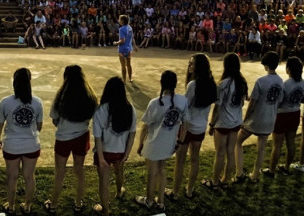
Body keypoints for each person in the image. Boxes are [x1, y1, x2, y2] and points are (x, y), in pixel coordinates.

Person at [44, 65, 98, 214]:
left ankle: (53, 205)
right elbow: (93, 116)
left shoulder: (61, 95)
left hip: (63, 138)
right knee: (79, 171)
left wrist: (63, 125)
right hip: (81, 136)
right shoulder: (89, 96)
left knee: (59, 173)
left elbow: (54, 118)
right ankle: (78, 203)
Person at [136, 70, 188, 211]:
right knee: (162, 171)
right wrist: (180, 141)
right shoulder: (183, 100)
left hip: (154, 144)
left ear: (162, 83)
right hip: (169, 143)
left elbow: (145, 127)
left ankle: (149, 200)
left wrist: (140, 145)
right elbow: (185, 123)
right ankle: (161, 201)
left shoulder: (155, 103)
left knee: (152, 172)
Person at [0, 68, 43, 215]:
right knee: (29, 176)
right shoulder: (37, 102)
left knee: (12, 176)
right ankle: (27, 206)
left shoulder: (5, 102)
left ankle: (11, 206)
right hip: (31, 144)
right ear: (30, 82)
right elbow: (39, 126)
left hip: (11, 145)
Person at [234, 51, 284, 182]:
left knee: (238, 142)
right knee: (261, 147)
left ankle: (239, 172)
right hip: (270, 118)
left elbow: (252, 104)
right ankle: (255, 175)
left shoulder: (261, 81)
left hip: (257, 118)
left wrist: (245, 119)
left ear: (266, 64)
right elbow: (279, 100)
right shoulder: (280, 81)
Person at [172, 53, 216, 199]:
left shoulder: (193, 85)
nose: (189, 66)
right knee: (195, 159)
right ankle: (190, 190)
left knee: (180, 161)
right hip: (200, 128)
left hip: (187, 128)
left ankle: (175, 192)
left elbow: (184, 107)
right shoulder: (211, 83)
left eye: (192, 63)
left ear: (199, 66)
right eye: (189, 63)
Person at [92, 77, 136, 216]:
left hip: (104, 152)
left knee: (103, 182)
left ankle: (105, 210)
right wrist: (127, 154)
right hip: (120, 150)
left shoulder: (101, 110)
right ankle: (118, 191)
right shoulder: (129, 108)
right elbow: (132, 134)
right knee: (119, 172)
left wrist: (100, 158)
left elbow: (98, 137)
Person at [203, 53, 247, 189]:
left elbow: (217, 107)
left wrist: (211, 124)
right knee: (230, 152)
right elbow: (241, 102)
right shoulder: (242, 82)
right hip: (236, 122)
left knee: (220, 154)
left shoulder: (223, 84)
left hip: (223, 123)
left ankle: (215, 182)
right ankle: (225, 180)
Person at [265, 57, 304, 175]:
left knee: (277, 145)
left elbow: (279, 101)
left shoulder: (285, 84)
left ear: (288, 69)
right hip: (295, 113)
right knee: (291, 142)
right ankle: (287, 167)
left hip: (282, 115)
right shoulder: (303, 84)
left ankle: (271, 170)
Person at [117, 15, 134, 83]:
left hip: (122, 49)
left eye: (120, 19)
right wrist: (134, 46)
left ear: (123, 21)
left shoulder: (121, 29)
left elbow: (122, 40)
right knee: (129, 65)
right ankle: (130, 78)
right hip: (129, 49)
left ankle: (124, 80)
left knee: (123, 66)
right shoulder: (130, 28)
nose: (119, 20)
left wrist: (116, 43)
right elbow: (132, 38)